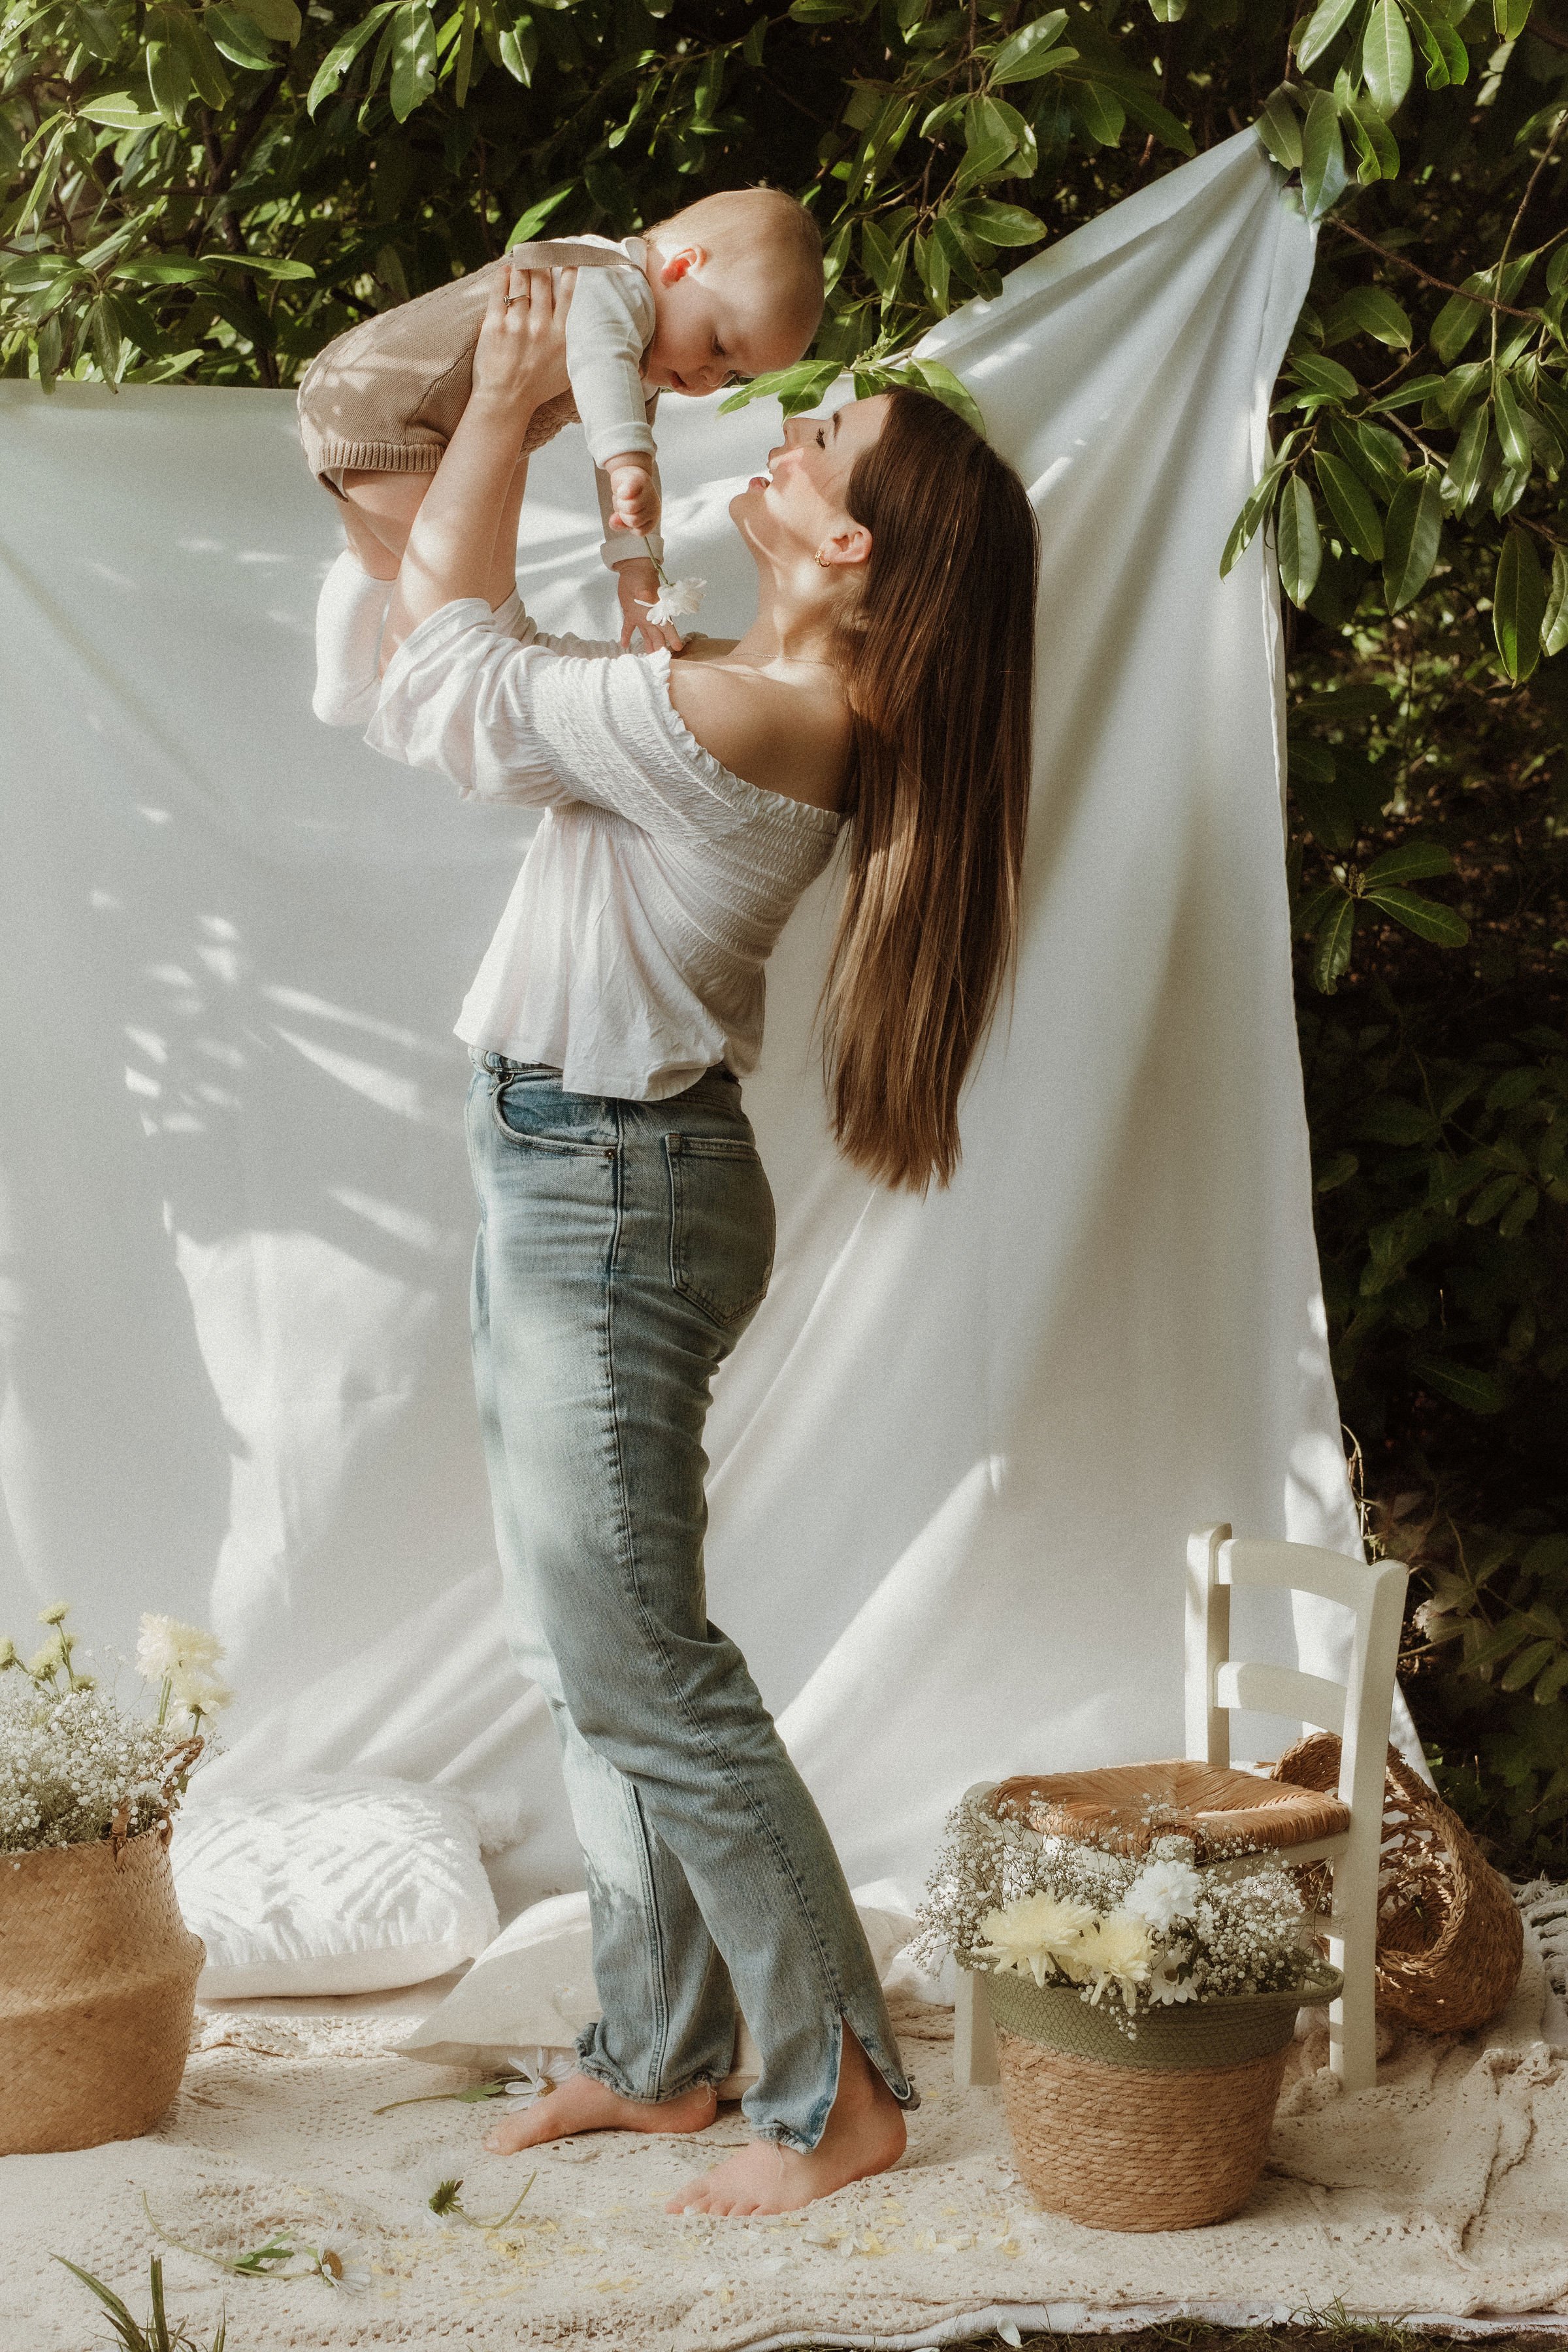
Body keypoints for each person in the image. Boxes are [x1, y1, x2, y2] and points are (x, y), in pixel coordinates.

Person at [312, 260, 1038, 2215]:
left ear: (849, 544)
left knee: (641, 1665)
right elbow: (434, 655)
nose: (780, 433)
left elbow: (452, 688)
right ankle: (660, 2056)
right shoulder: (735, 681)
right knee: (590, 1655)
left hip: (611, 1192)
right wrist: (495, 450)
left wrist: (495, 414)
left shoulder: (759, 712)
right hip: (569, 1167)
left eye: (820, 437)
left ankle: (841, 2095)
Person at [299, 186, 823, 655]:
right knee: (458, 602)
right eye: (718, 346)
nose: (710, 376)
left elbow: (626, 456)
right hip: (392, 416)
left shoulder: (641, 348)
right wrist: (627, 462)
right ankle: (404, 695)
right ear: (682, 268)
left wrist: (637, 564)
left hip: (365, 404)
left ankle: (342, 691)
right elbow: (604, 373)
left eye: (733, 375)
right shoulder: (612, 284)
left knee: (378, 564)